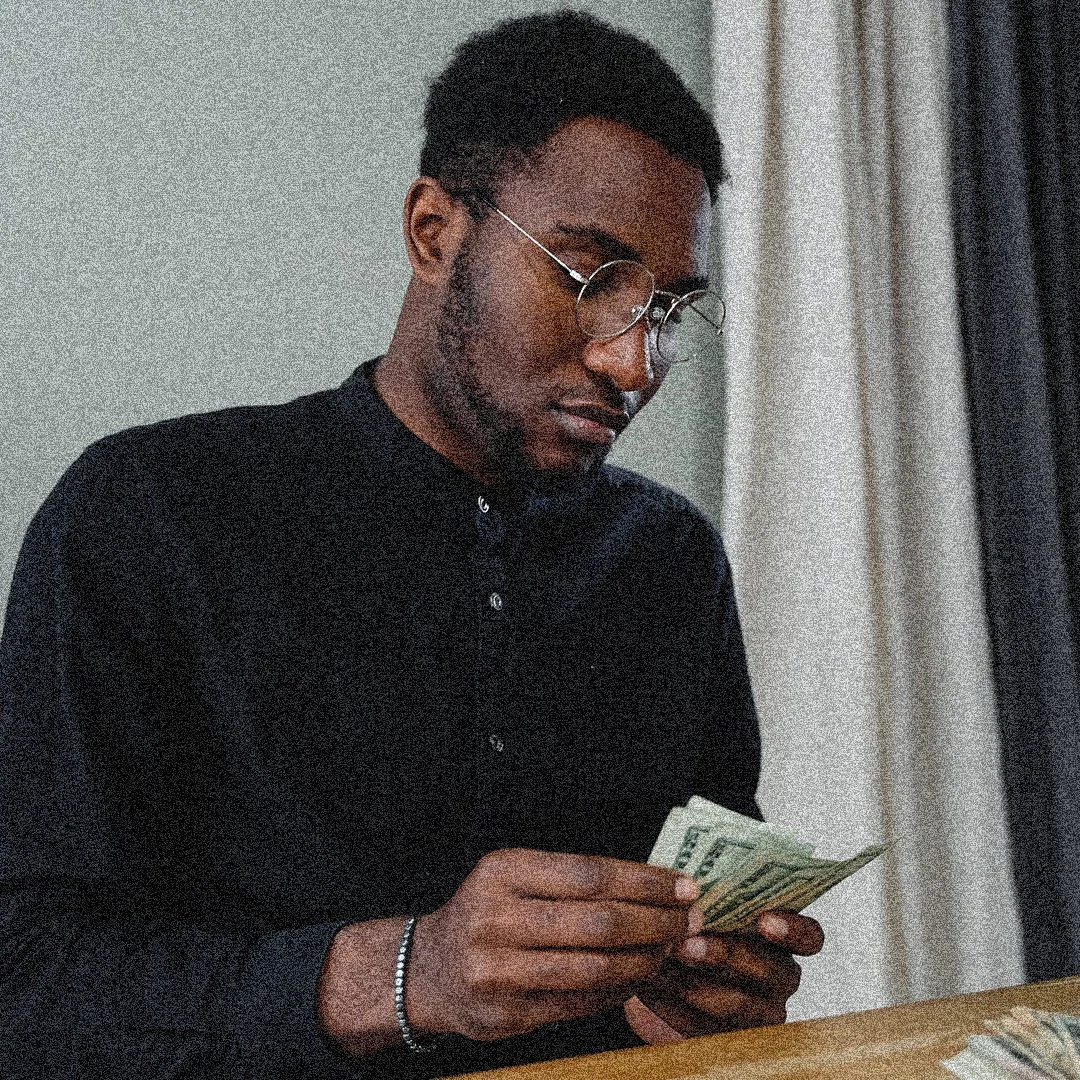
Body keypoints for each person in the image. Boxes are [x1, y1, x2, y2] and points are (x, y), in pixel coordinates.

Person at [0, 10, 824, 1078]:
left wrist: (706, 990)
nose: (634, 361)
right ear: (435, 232)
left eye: (668, 308)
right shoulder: (147, 514)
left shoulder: (669, 562)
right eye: (592, 278)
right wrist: (400, 976)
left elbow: (691, 965)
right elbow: (25, 988)